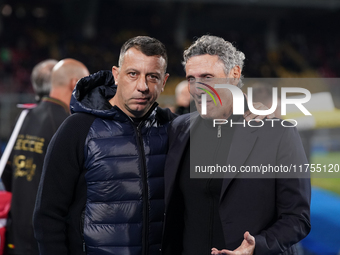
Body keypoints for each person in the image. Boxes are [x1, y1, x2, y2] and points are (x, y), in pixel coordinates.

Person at [32, 36, 272, 255]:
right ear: (116, 75)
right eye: (133, 74)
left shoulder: (173, 128)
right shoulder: (77, 129)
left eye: (152, 77)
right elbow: (48, 215)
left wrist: (249, 113)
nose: (143, 86)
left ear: (164, 81)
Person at [162, 35, 311, 255]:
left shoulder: (278, 133)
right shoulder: (178, 129)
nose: (198, 88)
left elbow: (297, 218)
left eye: (207, 77)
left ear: (234, 75)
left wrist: (255, 247)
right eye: (191, 78)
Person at [1, 58, 89, 255]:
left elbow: (7, 171)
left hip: (17, 234)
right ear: (75, 83)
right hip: (47, 238)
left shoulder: (25, 115)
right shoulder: (68, 125)